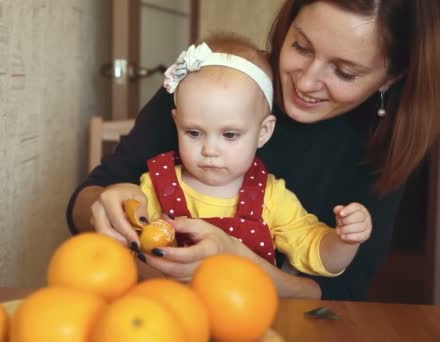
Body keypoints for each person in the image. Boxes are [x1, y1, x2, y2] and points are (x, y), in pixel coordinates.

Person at [67, 0, 440, 300]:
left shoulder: (382, 146)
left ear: (391, 76)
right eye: (301, 47)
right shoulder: (212, 85)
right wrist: (106, 206)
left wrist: (238, 263)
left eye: (344, 72)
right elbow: (89, 198)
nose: (307, 81)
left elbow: (343, 290)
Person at [139, 33, 371, 280]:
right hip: (171, 310)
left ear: (263, 132)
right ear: (177, 124)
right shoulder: (155, 186)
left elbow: (318, 257)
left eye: (229, 135)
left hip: (247, 312)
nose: (210, 150)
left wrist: (345, 241)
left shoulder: (271, 198)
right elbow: (129, 251)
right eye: (194, 132)